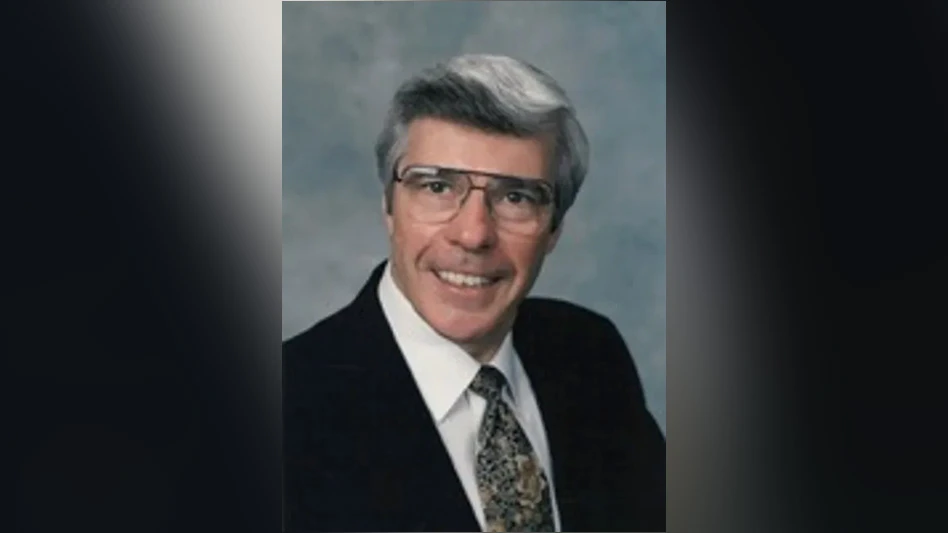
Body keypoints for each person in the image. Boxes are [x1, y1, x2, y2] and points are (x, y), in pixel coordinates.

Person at [283, 54, 665, 532]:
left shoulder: (588, 353)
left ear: (554, 229)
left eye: (515, 197)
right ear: (389, 206)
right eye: (437, 187)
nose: (473, 234)